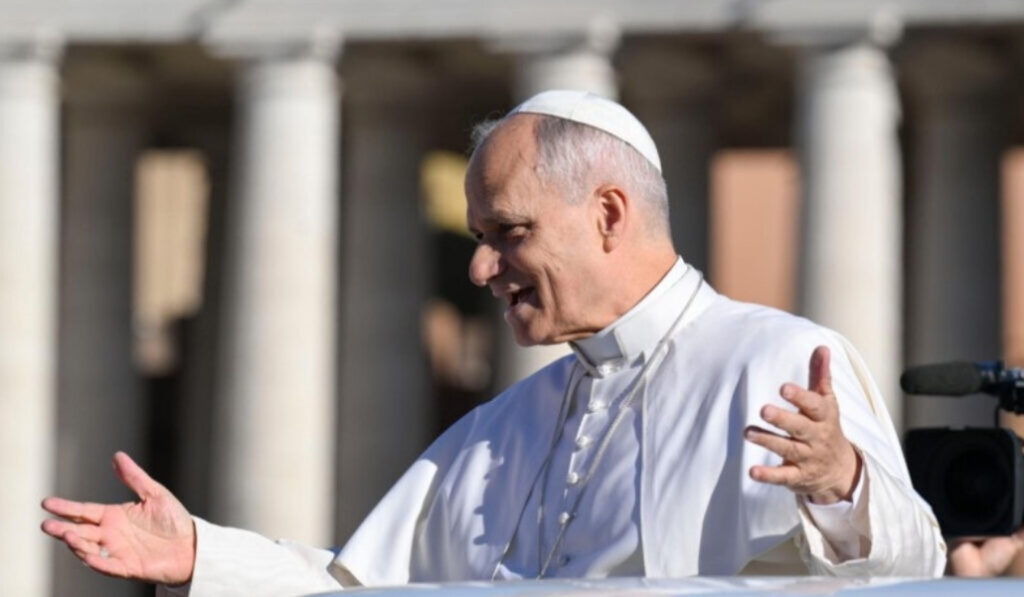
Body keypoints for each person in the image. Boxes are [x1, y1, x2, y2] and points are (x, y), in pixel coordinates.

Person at [41, 90, 947, 595]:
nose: (480, 269)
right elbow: (365, 593)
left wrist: (844, 486)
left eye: (506, 232)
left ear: (607, 215)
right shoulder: (506, 422)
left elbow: (919, 567)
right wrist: (203, 554)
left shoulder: (780, 367)